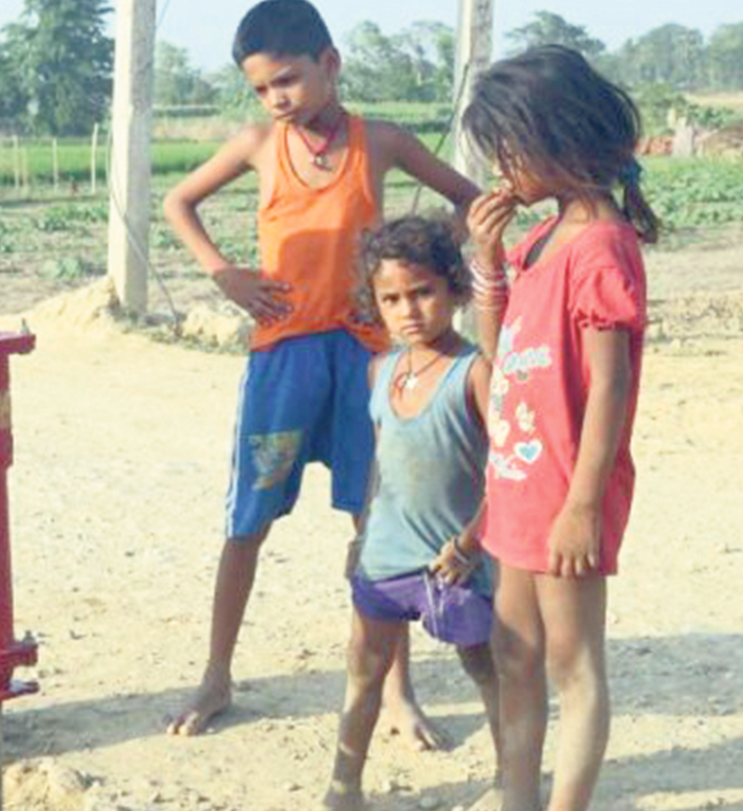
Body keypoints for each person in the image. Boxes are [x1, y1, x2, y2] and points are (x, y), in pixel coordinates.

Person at [161, 0, 479, 740]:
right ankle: (216, 674)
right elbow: (179, 202)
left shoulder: (384, 141)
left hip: (370, 360)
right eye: (263, 88)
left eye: (289, 80)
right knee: (248, 520)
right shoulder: (257, 145)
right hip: (284, 354)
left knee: (382, 526)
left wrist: (420, 254)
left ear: (330, 65)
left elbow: (467, 199)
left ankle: (396, 691)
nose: (277, 98)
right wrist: (223, 274)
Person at [464, 45, 654, 811]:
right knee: (515, 652)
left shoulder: (603, 247)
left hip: (567, 489)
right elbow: (499, 351)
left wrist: (583, 503)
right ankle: (516, 796)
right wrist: (485, 259)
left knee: (575, 669)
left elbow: (611, 385)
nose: (501, 165)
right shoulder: (538, 241)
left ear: (558, 136)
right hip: (517, 482)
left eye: (509, 146)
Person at [323, 217, 501, 811]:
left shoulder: (473, 373)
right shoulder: (381, 370)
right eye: (391, 298)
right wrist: (362, 535)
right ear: (373, 303)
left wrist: (473, 541)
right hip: (386, 555)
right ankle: (344, 786)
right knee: (364, 670)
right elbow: (381, 464)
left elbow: (507, 471)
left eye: (423, 292)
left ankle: (510, 775)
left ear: (453, 288)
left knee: (485, 665)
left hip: (457, 559)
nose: (409, 310)